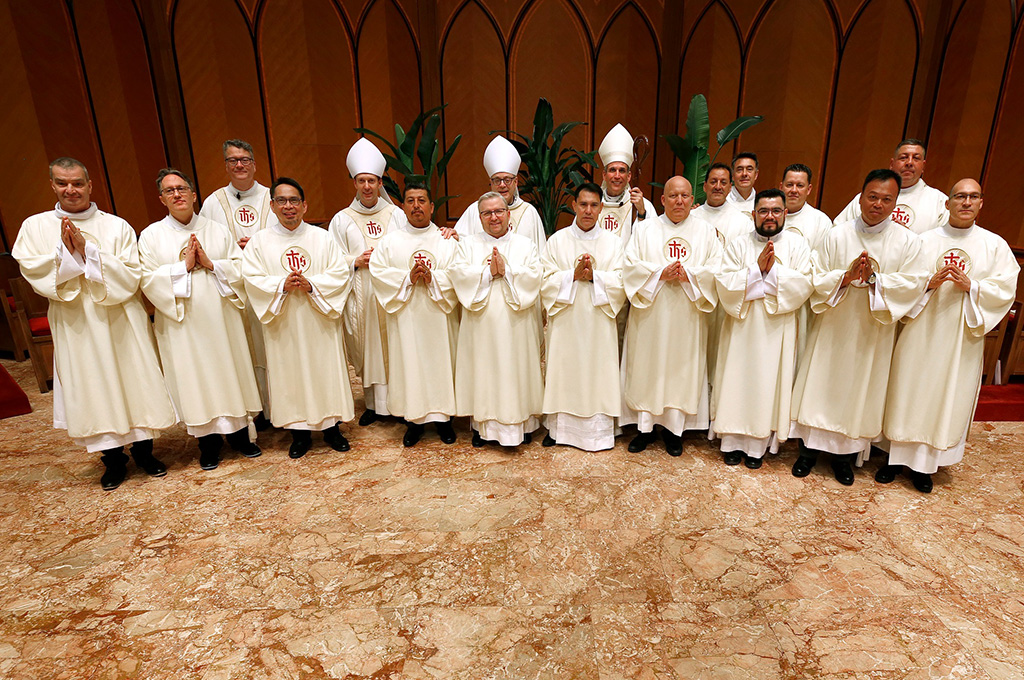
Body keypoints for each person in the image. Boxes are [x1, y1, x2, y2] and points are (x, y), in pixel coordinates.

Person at [12, 157, 176, 490]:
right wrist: (66, 254)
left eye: (77, 183)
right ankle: (112, 461)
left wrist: (88, 251)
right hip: (76, 321)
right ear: (52, 185)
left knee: (134, 382)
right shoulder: (35, 226)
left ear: (90, 185)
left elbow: (131, 274)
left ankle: (145, 453)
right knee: (93, 386)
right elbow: (32, 270)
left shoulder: (116, 226)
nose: (70, 190)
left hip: (120, 318)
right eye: (62, 183)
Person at [880, 179, 1019, 493]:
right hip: (919, 331)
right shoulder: (923, 241)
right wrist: (927, 284)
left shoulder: (994, 245)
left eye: (973, 197)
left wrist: (974, 287)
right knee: (907, 391)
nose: (966, 202)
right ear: (948, 203)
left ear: (981, 203)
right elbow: (902, 281)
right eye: (960, 196)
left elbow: (1004, 289)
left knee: (945, 396)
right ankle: (894, 458)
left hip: (960, 338)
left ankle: (925, 467)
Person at [789, 169, 927, 485]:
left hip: (871, 332)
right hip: (833, 327)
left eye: (886, 199)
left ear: (895, 203)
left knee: (857, 392)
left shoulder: (908, 241)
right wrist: (845, 278)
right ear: (861, 197)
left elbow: (913, 284)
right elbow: (814, 275)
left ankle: (843, 459)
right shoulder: (837, 235)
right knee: (821, 385)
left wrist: (876, 280)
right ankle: (807, 453)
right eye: (872, 197)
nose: (878, 204)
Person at [139, 169, 262, 470]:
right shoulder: (151, 236)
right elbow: (147, 279)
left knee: (228, 371)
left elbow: (239, 267)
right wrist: (182, 268)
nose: (177, 194)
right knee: (196, 378)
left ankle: (239, 437)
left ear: (194, 195)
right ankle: (208, 445)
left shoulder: (217, 230)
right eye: (170, 191)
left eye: (182, 189)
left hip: (222, 318)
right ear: (162, 199)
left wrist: (211, 264)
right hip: (183, 324)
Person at [241, 178, 354, 459]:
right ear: (272, 206)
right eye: (281, 200)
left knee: (325, 369)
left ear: (304, 205)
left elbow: (340, 273)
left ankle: (332, 428)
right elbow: (252, 278)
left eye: (294, 200)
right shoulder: (259, 242)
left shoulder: (322, 238)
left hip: (319, 321)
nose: (288, 206)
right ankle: (299, 434)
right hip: (284, 323)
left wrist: (312, 285)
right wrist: (281, 285)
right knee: (289, 373)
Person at [621, 176, 722, 456]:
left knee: (680, 370)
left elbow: (717, 269)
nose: (679, 201)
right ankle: (644, 429)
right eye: (673, 196)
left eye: (685, 196)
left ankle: (673, 431)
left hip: (687, 316)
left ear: (692, 200)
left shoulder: (705, 231)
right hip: (651, 315)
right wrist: (659, 275)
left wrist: (690, 275)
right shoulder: (644, 229)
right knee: (648, 367)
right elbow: (629, 266)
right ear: (663, 200)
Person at [711, 189, 813, 467]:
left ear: (785, 214)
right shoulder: (738, 245)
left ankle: (757, 448)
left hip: (777, 330)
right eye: (764, 211)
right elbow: (724, 282)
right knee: (737, 380)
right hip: (741, 328)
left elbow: (804, 284)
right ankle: (731, 443)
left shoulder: (798, 246)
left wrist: (771, 272)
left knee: (767, 384)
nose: (770, 216)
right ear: (754, 214)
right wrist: (756, 271)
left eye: (776, 211)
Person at [370, 183, 460, 447]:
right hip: (406, 317)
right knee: (410, 363)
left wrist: (434, 279)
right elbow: (378, 273)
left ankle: (444, 420)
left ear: (431, 207)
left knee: (441, 363)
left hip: (439, 317)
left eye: (422, 200)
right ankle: (414, 422)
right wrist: (407, 279)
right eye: (410, 200)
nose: (416, 206)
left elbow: (459, 273)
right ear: (403, 207)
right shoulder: (390, 242)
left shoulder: (446, 241)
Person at [451, 192, 543, 447]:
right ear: (479, 217)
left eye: (499, 211)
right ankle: (484, 427)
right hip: (481, 325)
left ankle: (523, 424)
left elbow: (535, 275)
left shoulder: (525, 245)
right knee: (484, 371)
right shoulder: (468, 245)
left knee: (517, 369)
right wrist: (487, 273)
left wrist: (508, 272)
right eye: (487, 213)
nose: (494, 217)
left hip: (516, 324)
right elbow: (458, 274)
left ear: (508, 214)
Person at [540, 182, 626, 450]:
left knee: (598, 372)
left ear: (601, 208)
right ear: (574, 206)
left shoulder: (614, 243)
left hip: (599, 323)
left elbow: (622, 281)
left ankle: (599, 433)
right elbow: (544, 281)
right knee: (564, 371)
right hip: (566, 322)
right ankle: (560, 430)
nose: (588, 210)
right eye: (583, 204)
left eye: (594, 205)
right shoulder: (557, 241)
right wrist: (572, 276)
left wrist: (595, 277)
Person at [199, 139, 274, 426]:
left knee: (270, 347)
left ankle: (278, 407)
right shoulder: (213, 203)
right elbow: (205, 241)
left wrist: (258, 244)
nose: (239, 165)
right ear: (226, 166)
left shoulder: (273, 197)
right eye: (233, 160)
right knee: (242, 348)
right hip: (230, 287)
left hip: (267, 285)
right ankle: (253, 411)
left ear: (254, 164)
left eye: (244, 159)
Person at [328, 138, 398, 426]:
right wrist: (354, 261)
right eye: (361, 181)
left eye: (371, 181)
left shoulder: (397, 215)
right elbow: (331, 259)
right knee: (368, 346)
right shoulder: (341, 220)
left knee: (394, 346)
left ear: (380, 183)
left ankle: (398, 402)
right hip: (361, 292)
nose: (367, 186)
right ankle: (373, 404)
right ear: (354, 183)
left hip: (391, 292)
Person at [833, 139, 948, 234]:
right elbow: (837, 232)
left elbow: (941, 243)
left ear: (923, 166)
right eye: (903, 157)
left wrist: (908, 239)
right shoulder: (868, 197)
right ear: (892, 164)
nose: (909, 163)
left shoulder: (939, 201)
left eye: (916, 158)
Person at [452, 136, 546, 250]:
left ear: (515, 182)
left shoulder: (529, 212)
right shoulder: (475, 210)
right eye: (497, 180)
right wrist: (454, 238)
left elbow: (539, 254)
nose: (502, 185)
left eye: (507, 180)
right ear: (491, 182)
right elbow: (462, 245)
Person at [594, 124, 657, 247]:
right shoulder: (592, 204)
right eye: (612, 170)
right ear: (604, 175)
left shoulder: (643, 205)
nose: (617, 176)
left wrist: (641, 213)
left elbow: (651, 242)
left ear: (629, 176)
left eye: (622, 171)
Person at [693, 163, 752, 245]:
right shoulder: (692, 216)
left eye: (723, 183)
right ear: (705, 186)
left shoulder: (743, 222)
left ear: (730, 187)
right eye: (713, 182)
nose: (718, 187)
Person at [779, 163, 831, 252]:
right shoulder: (767, 215)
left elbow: (819, 257)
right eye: (789, 185)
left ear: (809, 189)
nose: (794, 190)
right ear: (781, 187)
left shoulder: (821, 221)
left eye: (800, 185)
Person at [726, 152, 759, 218]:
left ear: (756, 174)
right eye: (739, 170)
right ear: (732, 175)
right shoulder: (722, 200)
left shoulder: (761, 202)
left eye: (749, 169)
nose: (744, 174)